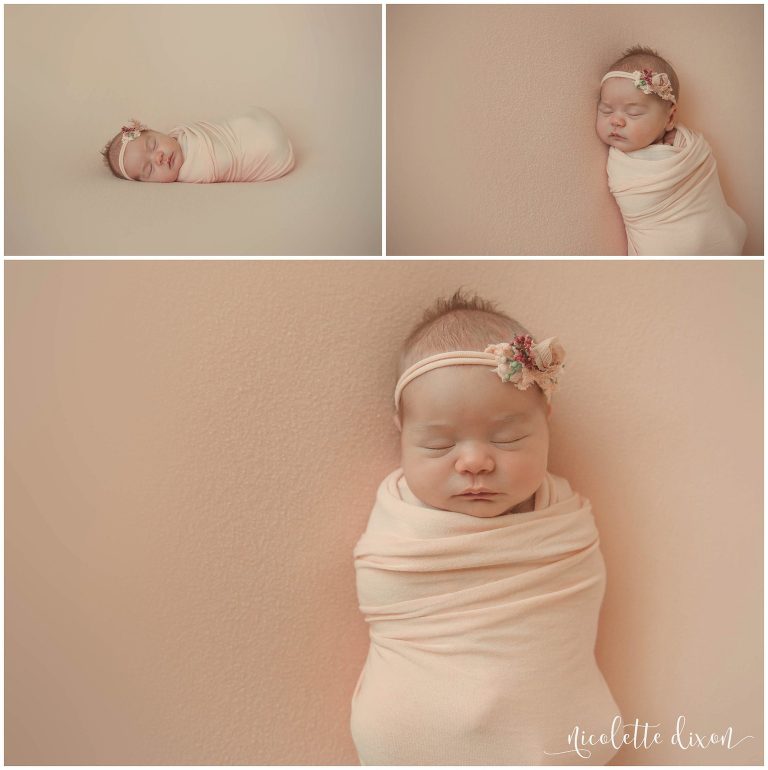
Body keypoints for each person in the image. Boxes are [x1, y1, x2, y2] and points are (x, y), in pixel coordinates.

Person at [350, 288, 622, 765]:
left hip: (548, 725)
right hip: (414, 727)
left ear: (547, 422)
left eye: (509, 438)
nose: (474, 462)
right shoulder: (398, 519)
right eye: (437, 445)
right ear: (401, 433)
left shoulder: (562, 518)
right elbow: (387, 589)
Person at [596, 45, 746, 255]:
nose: (616, 120)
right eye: (606, 110)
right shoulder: (623, 164)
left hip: (716, 237)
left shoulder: (690, 149)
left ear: (670, 118)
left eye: (634, 113)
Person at [99, 107, 295, 183]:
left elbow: (212, 131)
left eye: (153, 144)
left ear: (158, 132)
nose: (158, 157)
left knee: (241, 126)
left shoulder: (180, 134)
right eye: (149, 168)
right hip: (271, 151)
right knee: (256, 149)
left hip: (254, 124)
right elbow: (223, 162)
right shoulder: (193, 174)